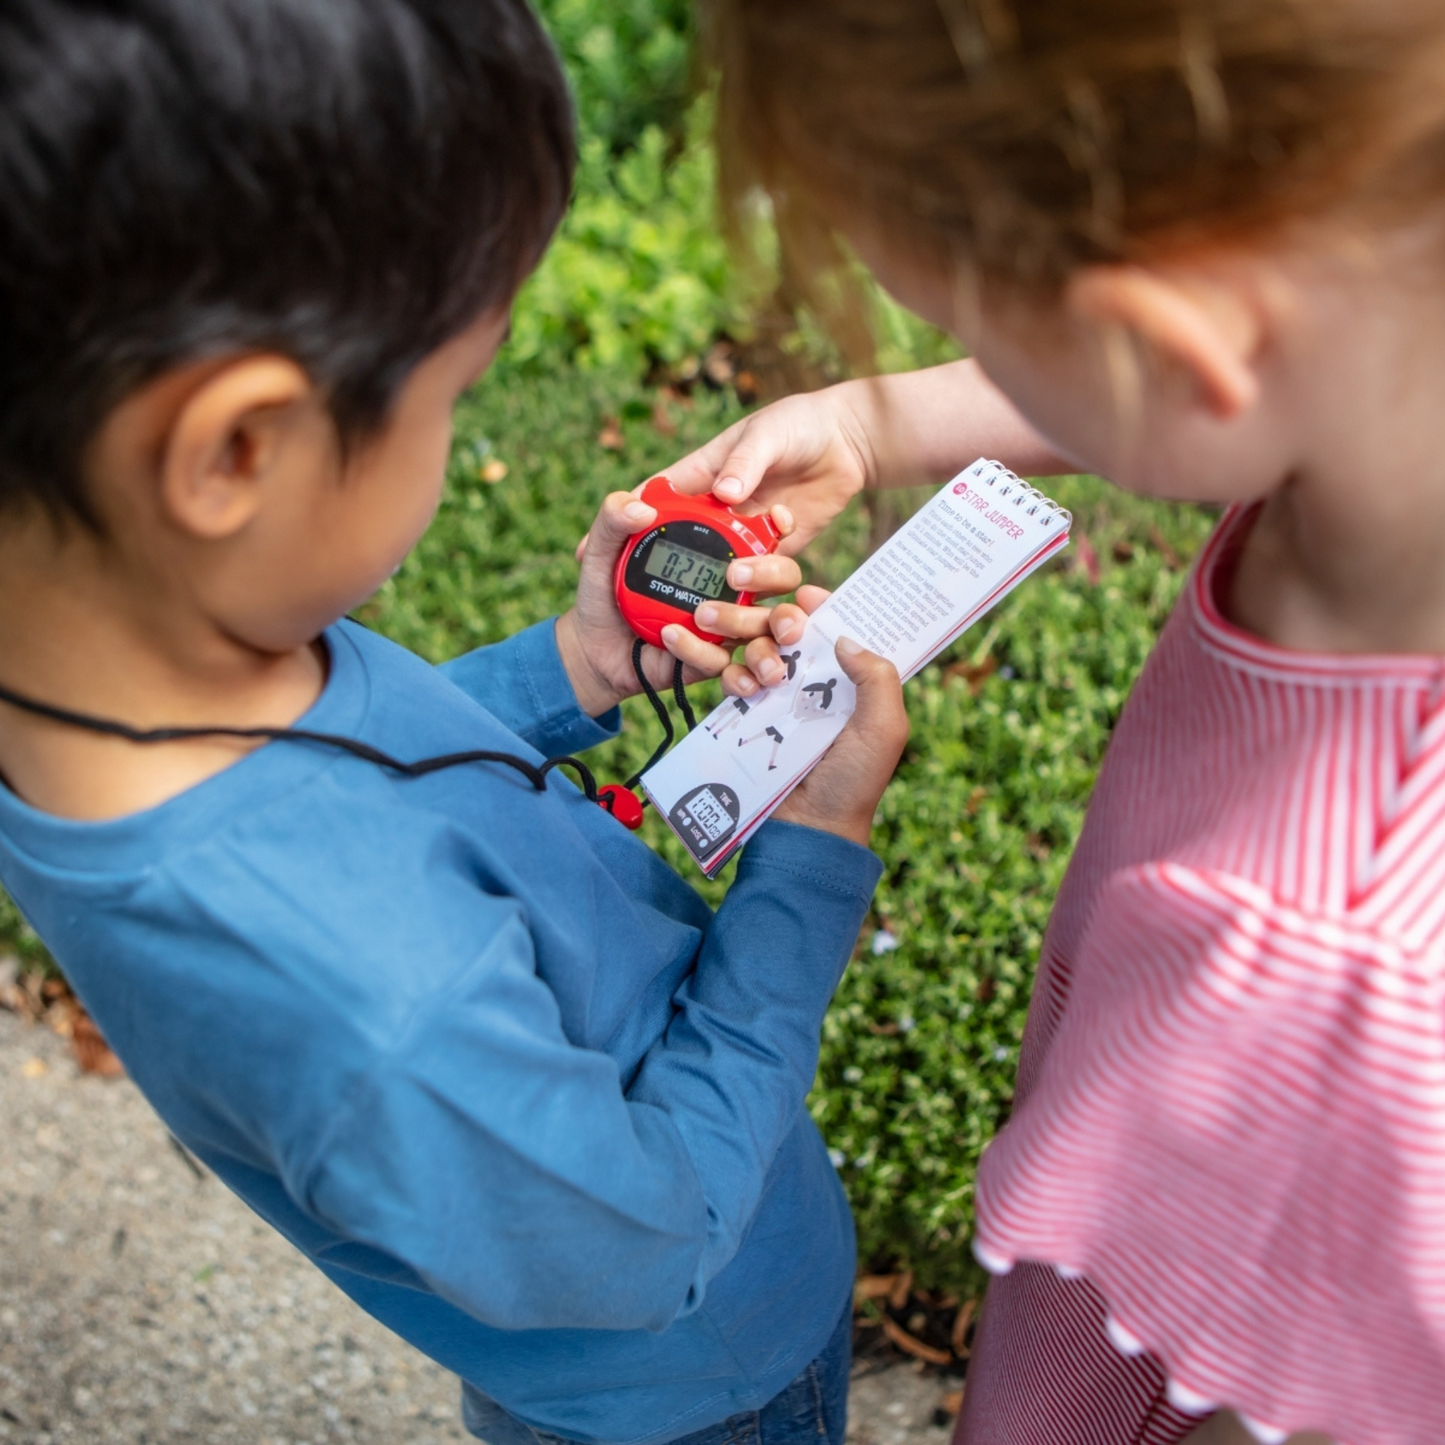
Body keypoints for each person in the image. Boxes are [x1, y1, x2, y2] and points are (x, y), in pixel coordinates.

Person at [0, 4, 911, 1445]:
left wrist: (568, 666)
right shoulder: (382, 1016)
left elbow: (359, 780)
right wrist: (810, 857)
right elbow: (651, 1236)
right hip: (697, 1377)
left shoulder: (126, 671)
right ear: (234, 452)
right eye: (452, 393)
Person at [673, 2, 1445, 1442]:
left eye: (986, 334)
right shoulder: (1393, 355)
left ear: (1172, 344)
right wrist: (882, 423)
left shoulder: (1338, 983)